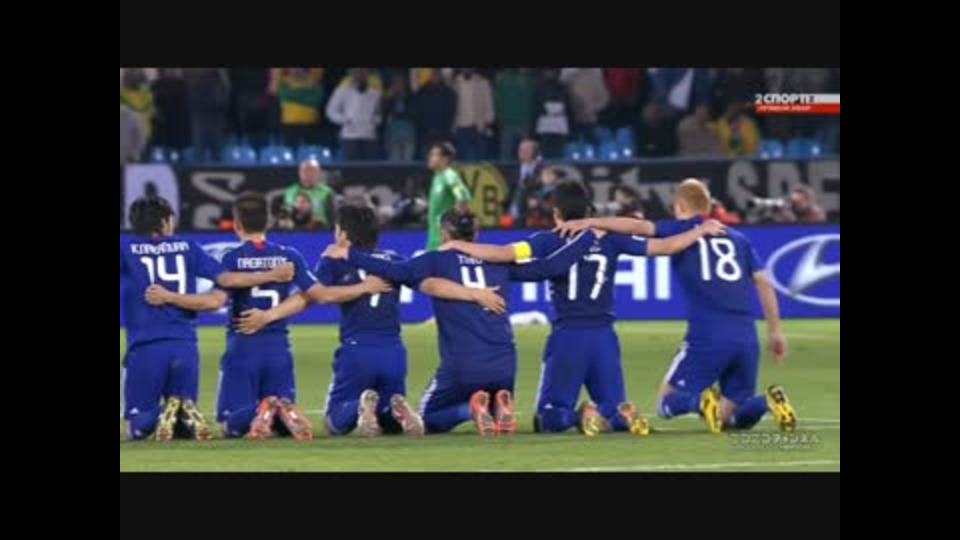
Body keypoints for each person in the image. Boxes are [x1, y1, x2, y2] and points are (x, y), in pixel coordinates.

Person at [444, 180, 723, 436]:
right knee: (613, 412)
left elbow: (503, 254)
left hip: (568, 338)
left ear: (556, 213)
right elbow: (665, 246)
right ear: (589, 210)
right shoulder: (610, 238)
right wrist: (699, 231)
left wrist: (459, 245)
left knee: (548, 418)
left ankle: (581, 415)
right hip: (604, 339)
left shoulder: (549, 239)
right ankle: (623, 414)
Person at [325, 208, 600, 436]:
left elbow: (397, 271)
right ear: (475, 234)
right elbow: (550, 267)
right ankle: (497, 406)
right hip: (504, 363)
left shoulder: (436, 259)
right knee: (495, 397)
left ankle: (469, 410)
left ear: (445, 233)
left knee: (426, 418)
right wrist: (589, 236)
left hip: (462, 365)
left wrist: (349, 254)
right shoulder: (498, 261)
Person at [237, 204, 506, 437]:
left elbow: (312, 297)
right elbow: (431, 285)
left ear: (343, 234)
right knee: (390, 421)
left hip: (357, 351)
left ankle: (360, 407)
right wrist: (475, 293)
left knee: (334, 422)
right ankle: (395, 408)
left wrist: (268, 315)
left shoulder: (334, 260)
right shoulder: (393, 261)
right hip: (394, 353)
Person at [554, 179, 797, 434]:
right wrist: (775, 331)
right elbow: (764, 282)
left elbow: (636, 225)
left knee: (666, 403)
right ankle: (766, 402)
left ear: (679, 206)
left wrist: (591, 222)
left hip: (707, 335)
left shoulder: (680, 229)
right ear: (707, 205)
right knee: (730, 416)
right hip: (746, 337)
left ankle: (700, 403)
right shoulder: (738, 238)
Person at [120, 195, 295, 441]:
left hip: (145, 347)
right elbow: (225, 283)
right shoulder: (188, 248)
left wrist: (160, 296)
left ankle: (162, 413)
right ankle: (182, 413)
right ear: (165, 222)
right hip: (185, 348)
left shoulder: (125, 250)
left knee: (137, 429)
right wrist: (271, 275)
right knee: (183, 430)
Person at [326, 68, 381, 161]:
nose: (360, 74)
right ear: (351, 73)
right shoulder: (342, 91)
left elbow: (378, 114)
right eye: (357, 71)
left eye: (363, 71)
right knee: (352, 167)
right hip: (350, 137)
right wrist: (345, 120)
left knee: (370, 168)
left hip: (369, 136)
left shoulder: (375, 94)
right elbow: (330, 111)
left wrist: (374, 122)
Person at [425, 142, 471, 251]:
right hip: (433, 238)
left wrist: (454, 226)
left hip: (444, 241)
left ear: (445, 159)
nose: (430, 158)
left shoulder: (449, 176)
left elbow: (463, 197)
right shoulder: (437, 177)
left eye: (434, 155)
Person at [452, 68, 495, 161]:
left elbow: (489, 104)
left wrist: (488, 122)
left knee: (480, 159)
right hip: (461, 127)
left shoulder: (483, 82)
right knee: (462, 160)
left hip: (478, 127)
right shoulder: (455, 83)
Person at [414, 69, 457, 158]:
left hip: (443, 134)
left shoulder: (449, 92)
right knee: (427, 162)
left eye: (438, 74)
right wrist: (424, 129)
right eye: (434, 74)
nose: (436, 76)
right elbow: (418, 113)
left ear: (441, 76)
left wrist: (444, 129)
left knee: (442, 161)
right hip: (426, 134)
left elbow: (451, 113)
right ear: (431, 75)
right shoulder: (422, 91)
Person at [494, 68, 536, 160]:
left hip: (524, 123)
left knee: (526, 155)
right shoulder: (503, 79)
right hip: (508, 123)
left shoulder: (530, 80)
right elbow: (498, 101)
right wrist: (500, 118)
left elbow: (534, 101)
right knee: (506, 155)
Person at [278, 67, 325, 147]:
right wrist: (305, 93)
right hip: (290, 123)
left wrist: (295, 94)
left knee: (310, 149)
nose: (296, 70)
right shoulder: (284, 82)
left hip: (310, 122)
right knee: (290, 149)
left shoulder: (314, 82)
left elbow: (316, 99)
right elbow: (286, 95)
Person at [283, 159, 335, 228]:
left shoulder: (327, 192)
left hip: (319, 230)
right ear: (300, 173)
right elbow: (285, 214)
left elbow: (333, 218)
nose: (309, 174)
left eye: (313, 171)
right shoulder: (290, 191)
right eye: (306, 171)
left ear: (319, 173)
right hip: (293, 230)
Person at [533, 69, 572, 159]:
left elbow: (567, 104)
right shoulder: (540, 87)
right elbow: (537, 104)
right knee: (545, 149)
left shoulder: (562, 87)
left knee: (559, 149)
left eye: (552, 71)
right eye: (548, 71)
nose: (549, 73)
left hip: (560, 123)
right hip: (545, 123)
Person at [150, 68, 191, 152]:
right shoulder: (181, 84)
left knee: (166, 141)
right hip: (175, 118)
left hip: (165, 117)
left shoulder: (156, 84)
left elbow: (155, 100)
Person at [382, 70, 417, 161]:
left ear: (405, 83)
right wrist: (389, 98)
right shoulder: (389, 98)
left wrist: (400, 115)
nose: (398, 85)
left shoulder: (411, 97)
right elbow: (384, 114)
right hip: (393, 134)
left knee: (407, 163)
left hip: (408, 134)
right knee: (394, 163)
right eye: (396, 82)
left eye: (400, 82)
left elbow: (414, 114)